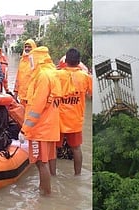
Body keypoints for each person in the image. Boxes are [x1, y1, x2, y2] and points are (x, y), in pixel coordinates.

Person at [20, 46, 61, 196]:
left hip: (40, 129)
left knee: (40, 163)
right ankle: (43, 190)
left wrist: (25, 129)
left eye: (31, 59)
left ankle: (45, 195)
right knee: (45, 161)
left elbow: (36, 106)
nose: (30, 62)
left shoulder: (42, 76)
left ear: (37, 59)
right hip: (50, 127)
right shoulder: (52, 73)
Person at [56, 48, 92, 176]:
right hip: (75, 120)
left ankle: (52, 175)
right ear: (78, 62)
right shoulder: (85, 77)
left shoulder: (56, 75)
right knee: (76, 148)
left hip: (58, 119)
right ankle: (77, 176)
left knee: (54, 148)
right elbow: (91, 95)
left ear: (65, 61)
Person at [14, 39, 37, 106]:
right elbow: (18, 77)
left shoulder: (36, 61)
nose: (27, 48)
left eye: (29, 47)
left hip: (32, 95)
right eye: (26, 46)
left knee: (31, 115)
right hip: (22, 95)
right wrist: (15, 92)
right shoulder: (22, 61)